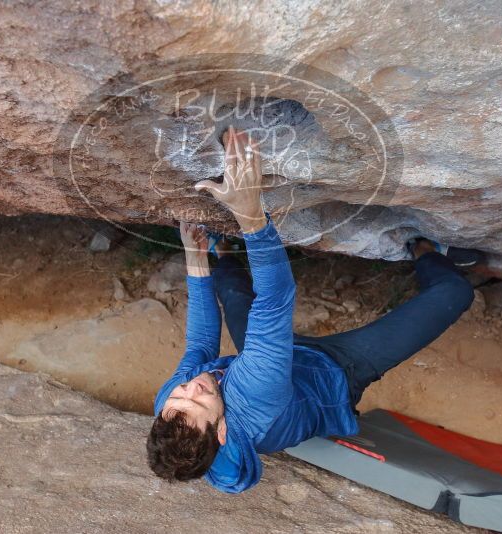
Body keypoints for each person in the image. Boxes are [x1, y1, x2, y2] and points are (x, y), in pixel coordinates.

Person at [146, 126, 475, 493]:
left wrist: (195, 257)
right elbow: (275, 300)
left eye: (178, 395)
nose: (190, 387)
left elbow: (201, 347)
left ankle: (221, 250)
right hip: (337, 372)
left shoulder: (174, 405)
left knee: (236, 298)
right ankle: (424, 250)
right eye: (200, 399)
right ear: (223, 431)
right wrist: (251, 215)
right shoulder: (254, 397)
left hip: (275, 360)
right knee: (454, 292)